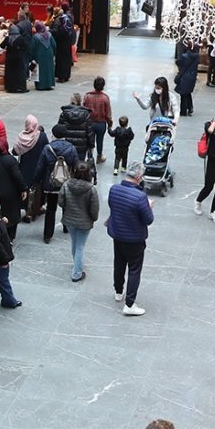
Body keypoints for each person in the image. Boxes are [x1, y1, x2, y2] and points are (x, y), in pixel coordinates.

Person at [108, 163, 154, 316]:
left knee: (119, 263)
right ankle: (129, 304)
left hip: (117, 235)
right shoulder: (140, 197)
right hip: (134, 239)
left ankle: (118, 291)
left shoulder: (114, 189)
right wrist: (149, 207)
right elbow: (148, 220)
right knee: (134, 270)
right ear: (139, 177)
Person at [60, 163, 100, 282]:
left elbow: (61, 202)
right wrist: (93, 218)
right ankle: (77, 272)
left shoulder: (66, 185)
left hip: (69, 219)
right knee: (80, 246)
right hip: (84, 222)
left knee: (75, 242)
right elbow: (94, 208)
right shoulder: (91, 189)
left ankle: (76, 263)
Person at [83, 78, 113, 163]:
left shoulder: (87, 96)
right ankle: (99, 157)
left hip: (89, 123)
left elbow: (83, 109)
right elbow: (108, 113)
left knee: (89, 141)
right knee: (100, 141)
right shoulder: (105, 98)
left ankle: (90, 158)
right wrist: (110, 124)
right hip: (101, 124)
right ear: (103, 86)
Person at [57, 94, 94, 160]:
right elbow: (89, 132)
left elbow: (59, 130)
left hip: (67, 145)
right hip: (82, 145)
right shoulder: (86, 114)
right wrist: (91, 145)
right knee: (80, 163)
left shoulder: (64, 113)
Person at [1, 25, 30, 94]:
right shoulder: (21, 38)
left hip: (9, 58)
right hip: (19, 58)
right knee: (20, 72)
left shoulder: (8, 38)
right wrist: (21, 49)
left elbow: (1, 45)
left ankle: (10, 88)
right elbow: (27, 47)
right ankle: (21, 87)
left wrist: (7, 46)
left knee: (10, 73)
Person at [175, 41, 200, 117]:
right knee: (188, 92)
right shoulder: (197, 56)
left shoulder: (184, 56)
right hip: (192, 77)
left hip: (184, 77)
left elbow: (178, 62)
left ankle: (183, 111)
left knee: (183, 94)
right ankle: (190, 108)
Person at [29, 22, 56, 91]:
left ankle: (41, 85)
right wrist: (53, 53)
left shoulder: (35, 37)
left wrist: (31, 57)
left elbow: (32, 48)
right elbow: (54, 45)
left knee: (40, 70)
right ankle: (49, 84)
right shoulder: (49, 35)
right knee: (49, 69)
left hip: (39, 55)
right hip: (49, 54)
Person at [52, 2, 75, 82]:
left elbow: (60, 32)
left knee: (61, 59)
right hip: (68, 41)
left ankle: (61, 76)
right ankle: (66, 75)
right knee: (67, 58)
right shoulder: (70, 16)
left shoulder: (64, 18)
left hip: (62, 43)